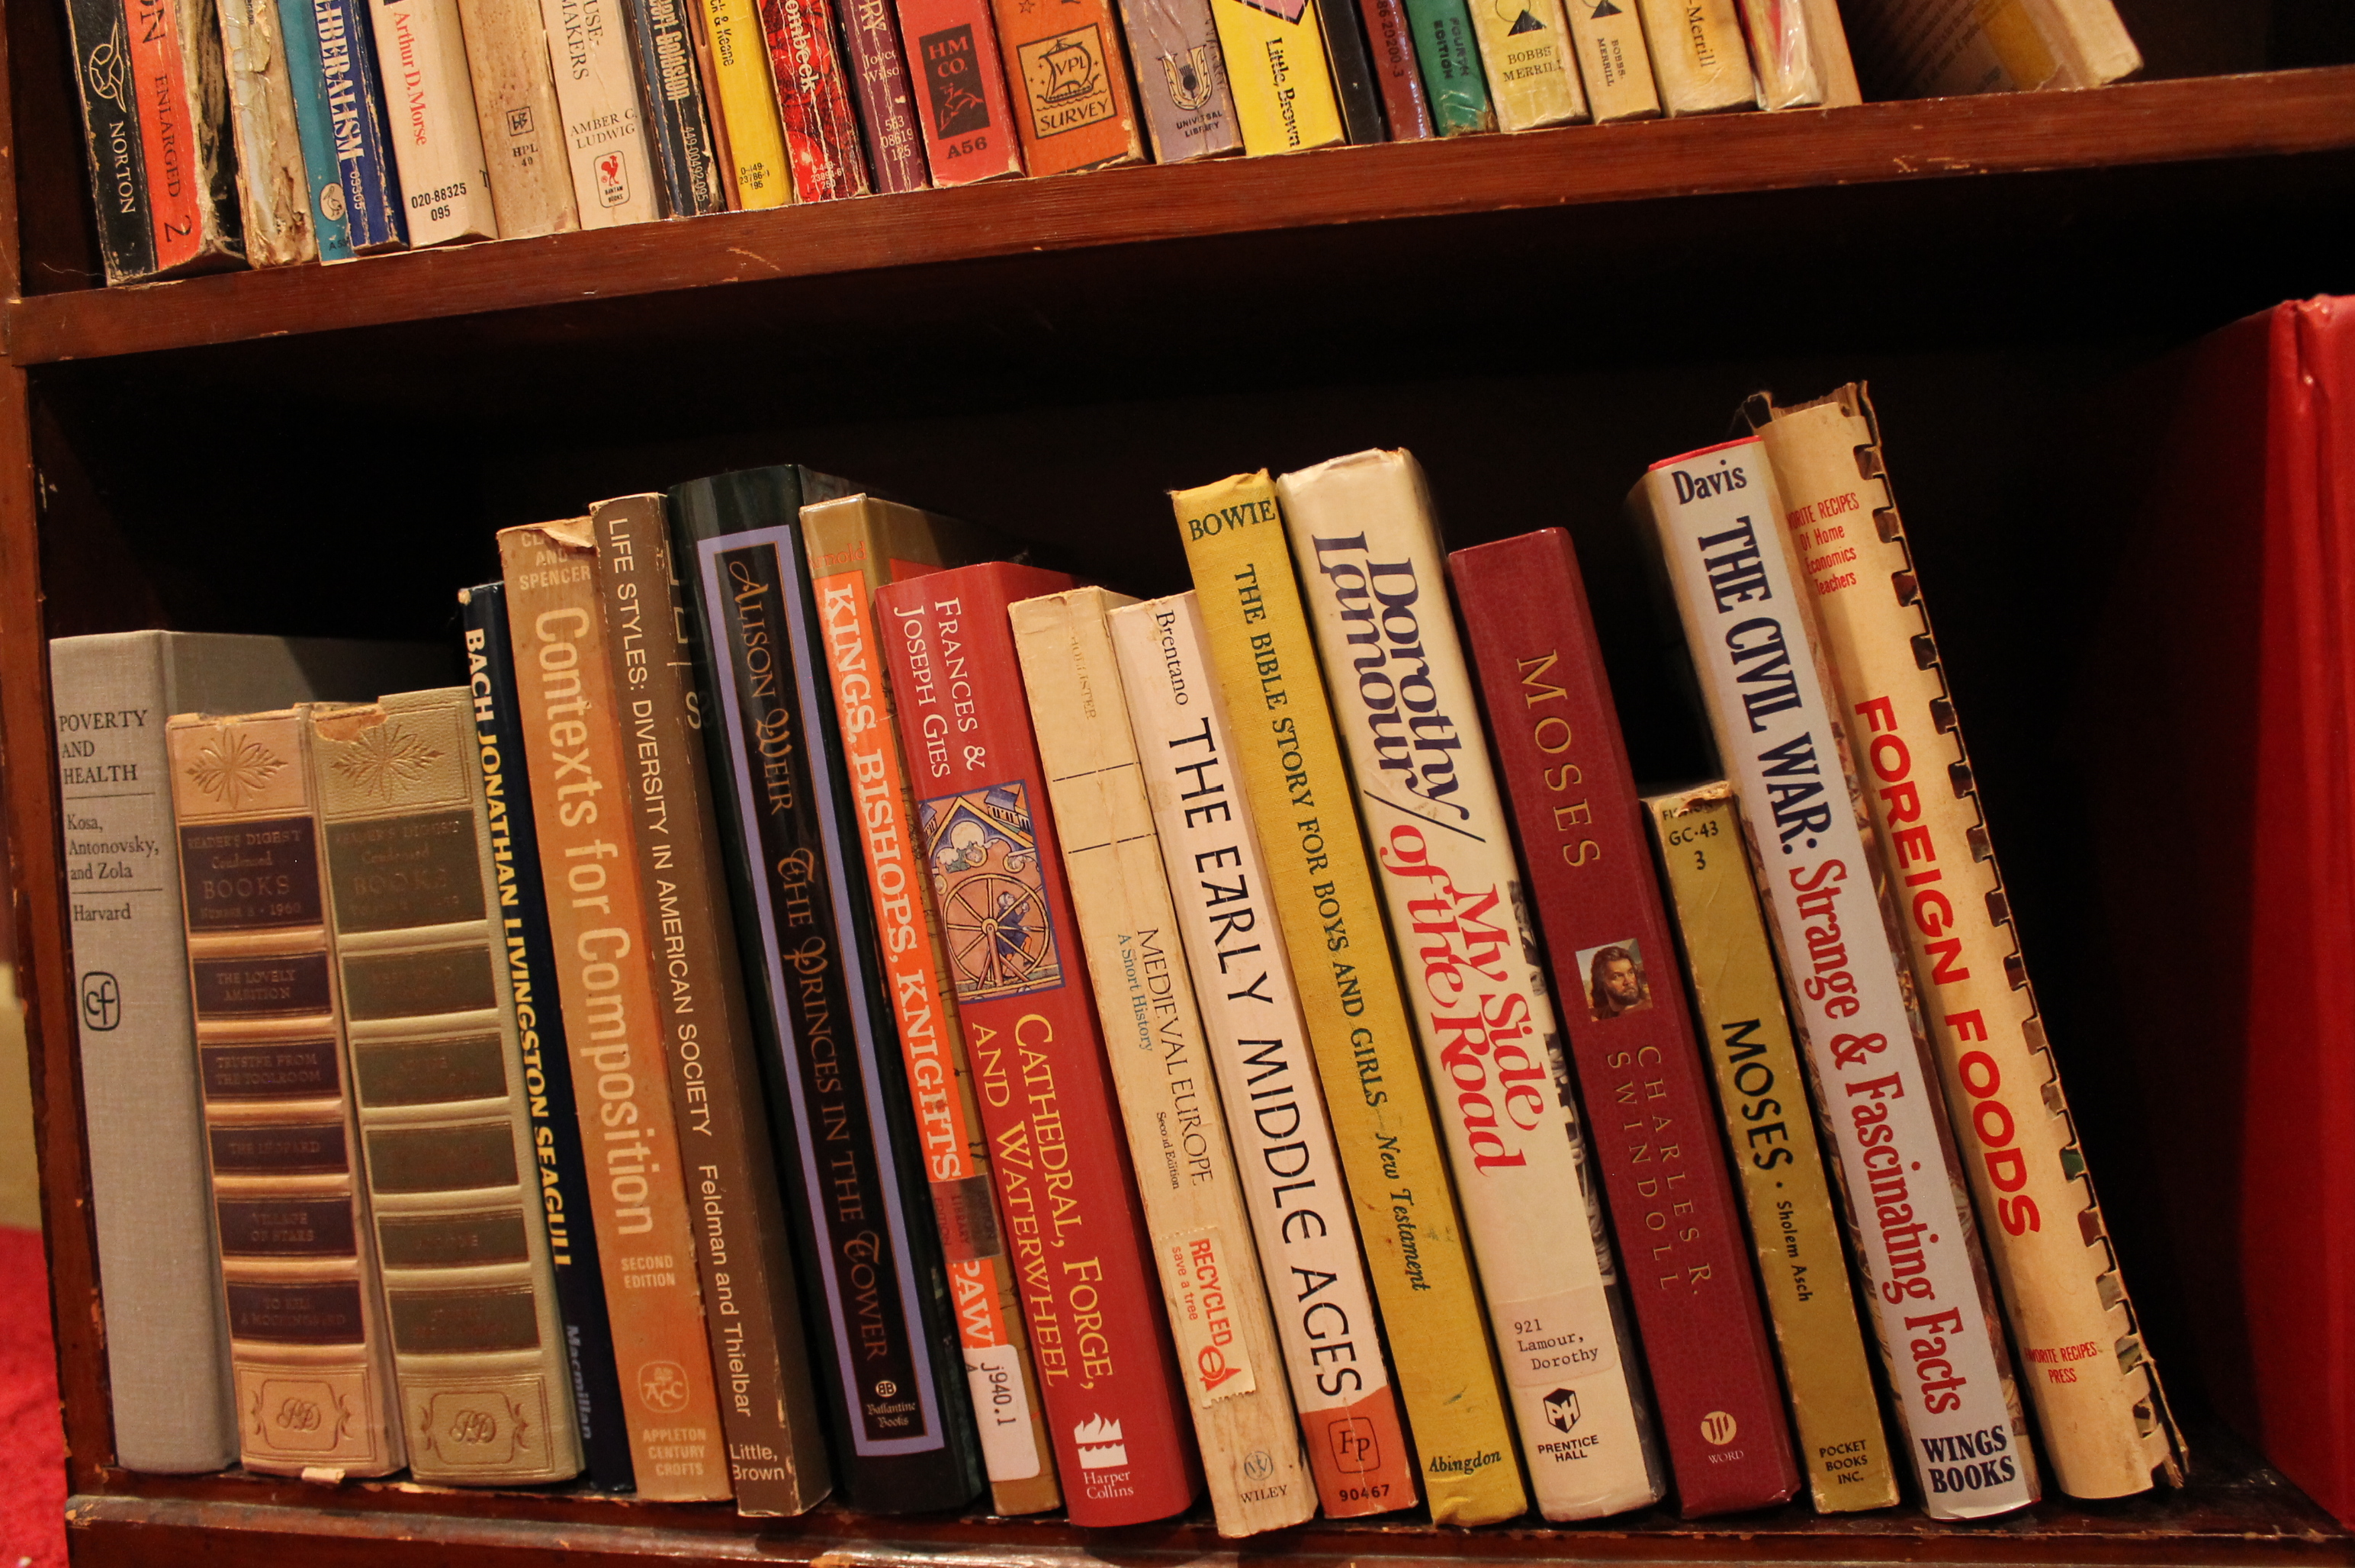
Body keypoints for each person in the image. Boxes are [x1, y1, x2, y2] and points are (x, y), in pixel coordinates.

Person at [1587, 944, 1649, 1020]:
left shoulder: (1648, 1007)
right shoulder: (1597, 1016)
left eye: (1631, 972)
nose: (1628, 981)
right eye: (1617, 977)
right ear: (1601, 983)